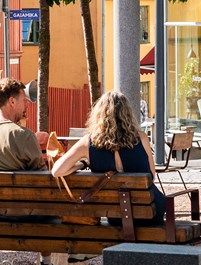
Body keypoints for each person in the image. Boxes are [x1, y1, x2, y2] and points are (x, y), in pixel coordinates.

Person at [0, 79, 64, 265]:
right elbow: (43, 179)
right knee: (51, 203)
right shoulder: (23, 135)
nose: (26, 105)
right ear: (12, 102)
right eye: (23, 100)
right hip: (27, 213)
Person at [53, 91, 166, 222]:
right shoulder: (141, 138)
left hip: (115, 216)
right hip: (150, 212)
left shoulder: (88, 142)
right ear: (127, 114)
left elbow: (57, 171)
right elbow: (152, 175)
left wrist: (83, 164)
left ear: (98, 115)